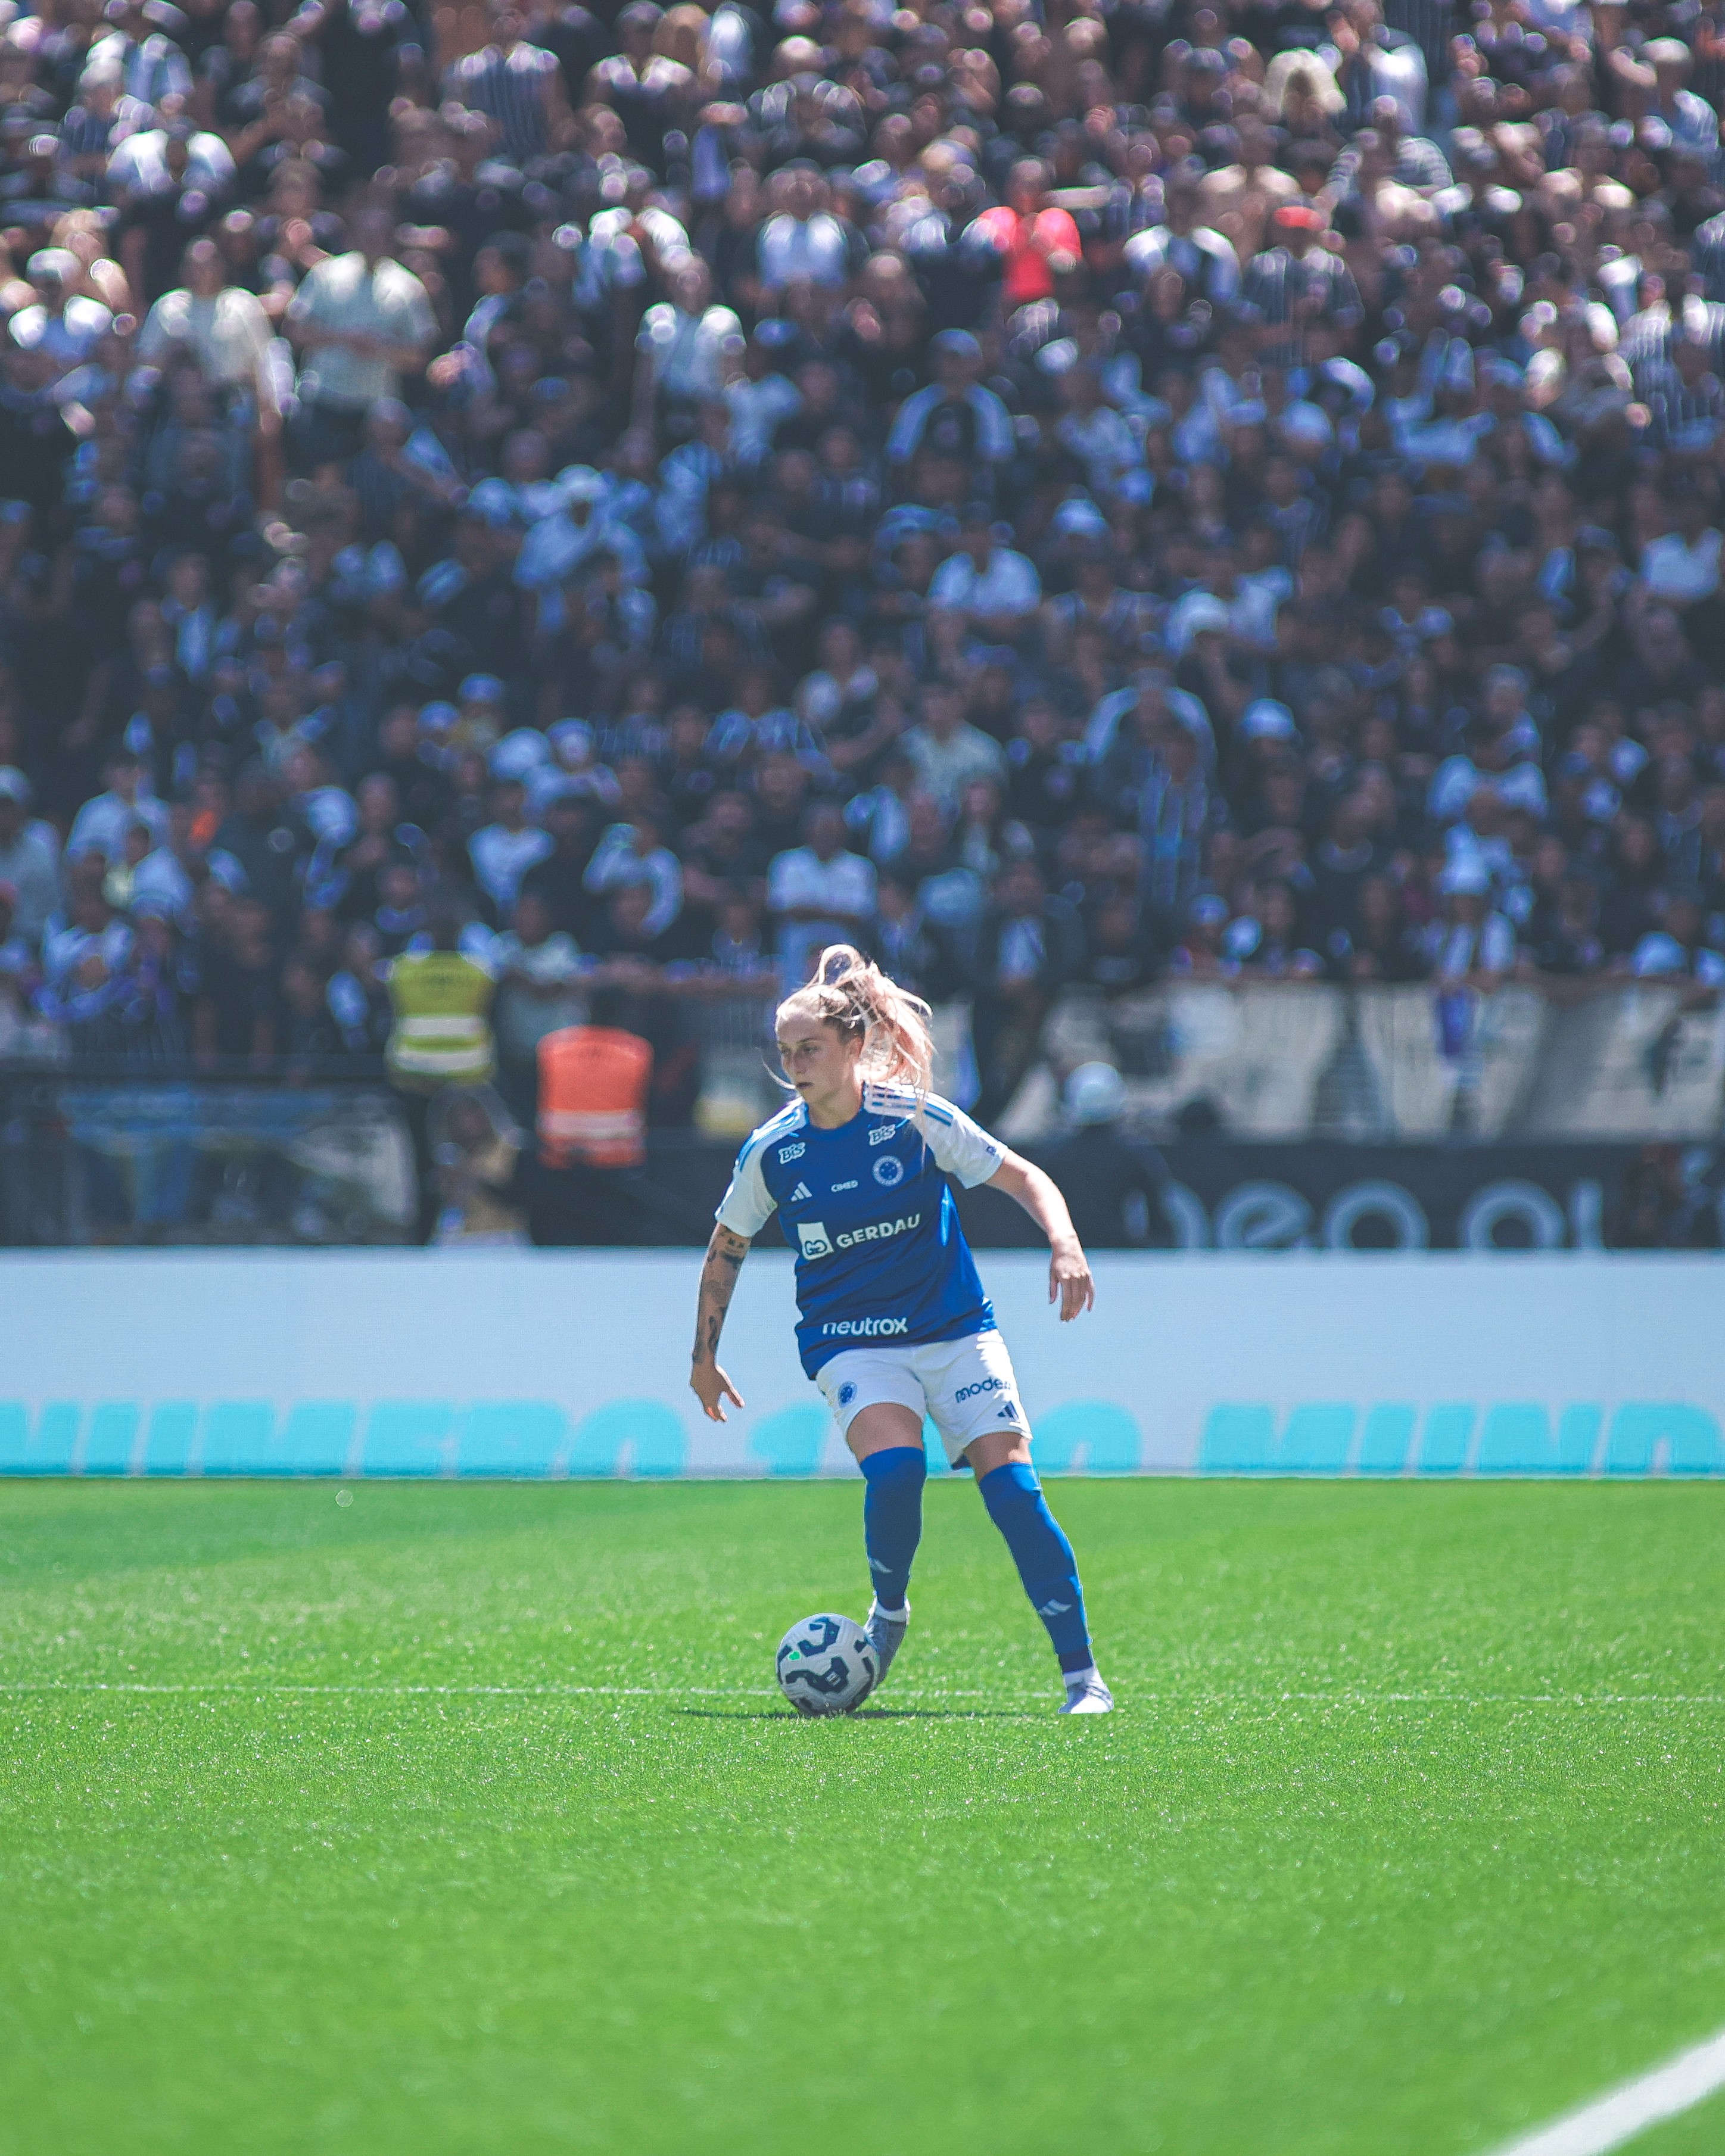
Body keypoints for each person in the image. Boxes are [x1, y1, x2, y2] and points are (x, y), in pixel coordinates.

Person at [689, 945, 1113, 1716]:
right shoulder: (775, 1150)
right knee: (896, 1473)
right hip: (849, 1336)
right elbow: (727, 1245)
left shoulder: (912, 1116)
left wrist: (1067, 1244)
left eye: (810, 1049)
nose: (796, 1066)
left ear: (854, 1047)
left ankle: (1083, 1678)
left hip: (953, 1328)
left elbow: (1022, 1174)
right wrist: (704, 1358)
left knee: (1014, 1491)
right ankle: (889, 1612)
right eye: (786, 1054)